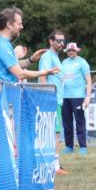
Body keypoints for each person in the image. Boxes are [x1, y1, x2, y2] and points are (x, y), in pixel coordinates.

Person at [0, 7, 58, 84]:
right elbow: (20, 74)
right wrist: (44, 72)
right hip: (5, 94)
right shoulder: (2, 46)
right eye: (19, 24)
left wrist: (31, 60)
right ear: (9, 25)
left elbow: (13, 66)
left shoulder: (1, 43)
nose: (22, 27)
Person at [39, 31, 67, 174]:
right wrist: (46, 99)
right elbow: (42, 77)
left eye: (63, 41)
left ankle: (54, 165)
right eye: (58, 40)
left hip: (57, 100)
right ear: (51, 41)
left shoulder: (56, 58)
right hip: (51, 99)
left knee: (55, 133)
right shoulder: (47, 57)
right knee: (55, 134)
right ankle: (55, 166)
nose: (61, 44)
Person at [60, 42, 92, 155]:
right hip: (65, 97)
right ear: (67, 51)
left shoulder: (82, 62)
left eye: (73, 50)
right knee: (66, 122)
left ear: (77, 51)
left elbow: (88, 81)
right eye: (69, 50)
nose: (71, 52)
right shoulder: (63, 63)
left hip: (78, 97)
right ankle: (69, 146)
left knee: (79, 121)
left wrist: (88, 97)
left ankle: (83, 146)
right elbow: (62, 78)